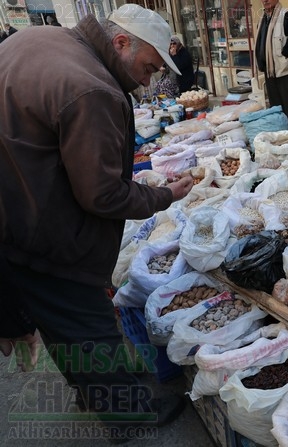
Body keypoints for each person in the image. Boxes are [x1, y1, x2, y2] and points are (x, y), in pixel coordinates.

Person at [0, 3, 192, 442]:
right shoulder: (93, 89)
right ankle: (128, 414)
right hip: (47, 234)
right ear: (121, 42)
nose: (150, 79)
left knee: (61, 329)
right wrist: (164, 194)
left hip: (15, 216)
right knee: (90, 328)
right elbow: (101, 194)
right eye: (149, 67)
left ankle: (92, 391)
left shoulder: (38, 40)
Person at [255, 0, 288, 133]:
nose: (265, 1)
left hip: (285, 70)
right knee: (276, 108)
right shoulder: (263, 18)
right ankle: (282, 136)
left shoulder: (286, 15)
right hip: (270, 70)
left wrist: (284, 54)